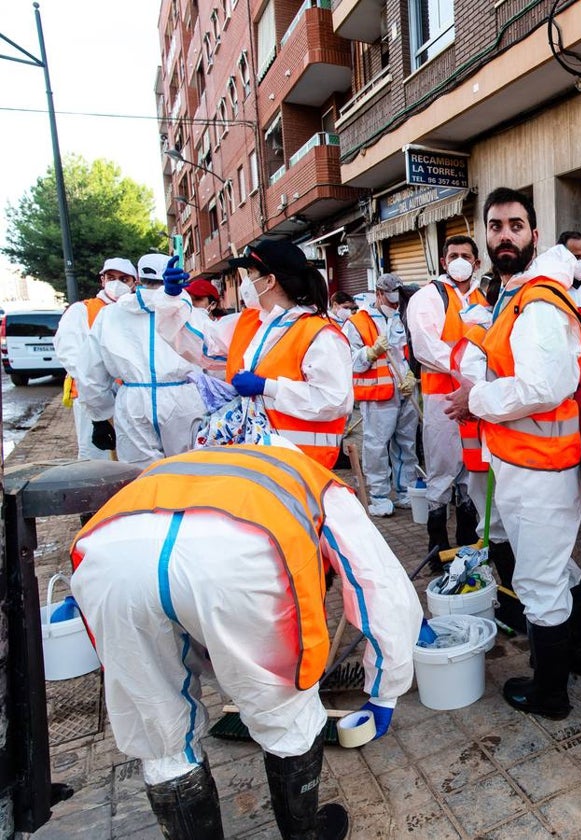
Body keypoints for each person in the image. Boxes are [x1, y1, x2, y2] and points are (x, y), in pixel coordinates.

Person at [70, 440, 421, 840]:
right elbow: (380, 587)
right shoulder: (318, 483)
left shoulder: (181, 464)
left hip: (109, 555)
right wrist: (386, 689)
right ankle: (304, 834)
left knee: (159, 727)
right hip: (237, 562)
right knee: (285, 713)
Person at [446, 188, 581, 719]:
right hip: (528, 461)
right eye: (494, 226)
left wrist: (476, 400)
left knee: (539, 581)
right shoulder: (513, 295)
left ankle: (550, 693)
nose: (503, 235)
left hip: (541, 467)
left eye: (514, 225)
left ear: (534, 233)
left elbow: (544, 386)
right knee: (555, 570)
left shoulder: (537, 301)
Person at [153, 240, 353, 468]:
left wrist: (267, 387)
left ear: (270, 281)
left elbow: (335, 400)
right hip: (253, 460)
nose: (245, 281)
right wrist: (171, 299)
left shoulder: (320, 334)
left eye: (250, 273)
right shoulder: (249, 321)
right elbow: (199, 344)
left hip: (300, 466)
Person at [75, 254, 208, 468]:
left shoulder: (109, 315)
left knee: (139, 476)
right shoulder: (190, 312)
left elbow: (90, 372)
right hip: (184, 399)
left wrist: (99, 416)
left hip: (133, 403)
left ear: (138, 279)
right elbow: (212, 358)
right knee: (189, 472)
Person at [407, 237, 490, 547]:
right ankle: (438, 542)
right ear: (443, 262)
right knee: (441, 470)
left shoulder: (484, 298)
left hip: (477, 401)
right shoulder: (429, 297)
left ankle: (468, 539)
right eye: (453, 255)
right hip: (442, 399)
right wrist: (467, 371)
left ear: (477, 262)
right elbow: (426, 347)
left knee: (472, 468)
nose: (459, 260)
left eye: (465, 255)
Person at [344, 274, 421, 519]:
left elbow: (405, 355)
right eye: (391, 301)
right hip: (378, 394)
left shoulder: (401, 318)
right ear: (378, 294)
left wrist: (409, 376)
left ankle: (404, 491)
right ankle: (378, 495)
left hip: (403, 391)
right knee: (377, 446)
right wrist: (371, 352)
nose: (395, 305)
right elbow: (349, 361)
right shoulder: (357, 323)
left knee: (406, 444)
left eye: (398, 302)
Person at [54, 257, 137, 459]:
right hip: (90, 395)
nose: (116, 283)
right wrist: (96, 390)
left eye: (124, 279)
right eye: (111, 277)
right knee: (95, 455)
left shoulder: (134, 311)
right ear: (102, 280)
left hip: (129, 395)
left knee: (129, 453)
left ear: (134, 283)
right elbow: (70, 354)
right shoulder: (82, 310)